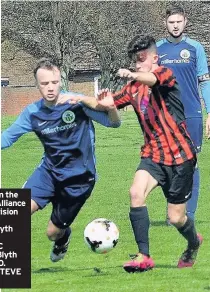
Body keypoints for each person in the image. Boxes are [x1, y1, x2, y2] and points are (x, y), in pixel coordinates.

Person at [64, 35, 203, 273]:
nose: (137, 64)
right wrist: (76, 98)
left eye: (141, 59)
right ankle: (144, 256)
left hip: (180, 157)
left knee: (177, 217)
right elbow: (106, 105)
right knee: (135, 192)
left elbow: (152, 78)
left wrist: (133, 74)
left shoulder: (166, 74)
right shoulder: (133, 88)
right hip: (153, 155)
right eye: (134, 61)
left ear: (154, 58)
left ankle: (193, 242)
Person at [1, 57, 121, 263]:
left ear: (60, 82)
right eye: (44, 83)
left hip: (79, 181)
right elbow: (6, 138)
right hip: (48, 173)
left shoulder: (77, 103)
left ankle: (62, 239)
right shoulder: (33, 113)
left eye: (54, 83)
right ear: (37, 85)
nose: (50, 88)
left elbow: (114, 124)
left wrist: (111, 108)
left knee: (52, 233)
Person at [156, 5, 210, 222]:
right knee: (167, 164)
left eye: (179, 21)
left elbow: (204, 82)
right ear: (166, 24)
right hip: (165, 116)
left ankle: (189, 213)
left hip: (192, 114)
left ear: (185, 22)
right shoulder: (157, 49)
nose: (175, 26)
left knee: (191, 163)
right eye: (171, 22)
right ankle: (174, 210)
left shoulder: (195, 47)